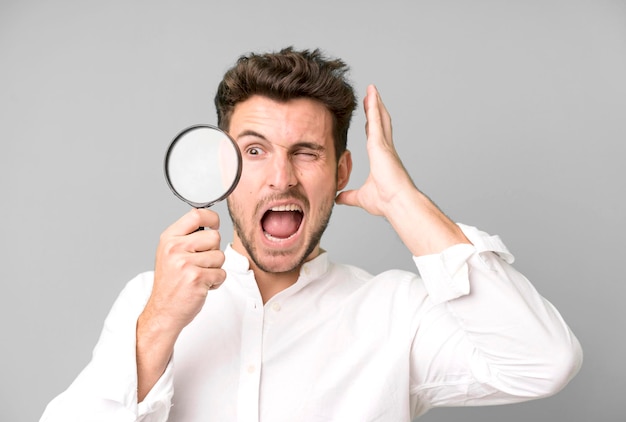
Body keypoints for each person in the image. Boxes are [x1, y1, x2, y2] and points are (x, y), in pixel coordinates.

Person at [41, 47, 582, 421]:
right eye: (254, 151)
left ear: (342, 172)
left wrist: (402, 201)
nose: (281, 177)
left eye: (306, 152)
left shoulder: (395, 314)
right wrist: (158, 325)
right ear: (220, 166)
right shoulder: (146, 301)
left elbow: (544, 363)